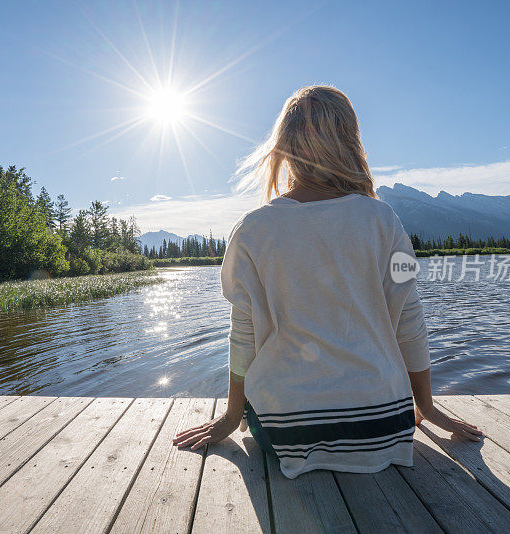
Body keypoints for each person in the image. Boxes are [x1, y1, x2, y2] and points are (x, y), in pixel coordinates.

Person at [172, 85, 481, 479]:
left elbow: (244, 332)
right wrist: (427, 406)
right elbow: (410, 321)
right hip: (385, 429)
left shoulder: (252, 229)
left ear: (284, 147)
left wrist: (233, 417)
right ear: (351, 142)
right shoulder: (386, 222)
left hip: (285, 432)